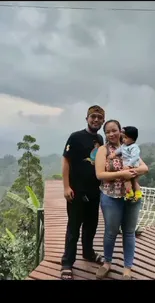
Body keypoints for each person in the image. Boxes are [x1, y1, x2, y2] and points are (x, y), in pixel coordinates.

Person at [95, 119, 148, 280]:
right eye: (108, 132)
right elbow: (100, 175)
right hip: (110, 197)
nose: (111, 134)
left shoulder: (129, 148)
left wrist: (131, 172)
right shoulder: (103, 150)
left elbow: (144, 168)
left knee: (129, 232)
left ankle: (127, 268)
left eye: (114, 130)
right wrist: (123, 174)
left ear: (121, 131)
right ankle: (107, 263)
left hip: (131, 198)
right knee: (110, 232)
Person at [61, 105, 105, 280]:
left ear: (102, 121)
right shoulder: (76, 137)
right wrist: (66, 187)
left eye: (99, 118)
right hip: (76, 192)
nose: (95, 120)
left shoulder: (100, 139)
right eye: (93, 116)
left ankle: (88, 252)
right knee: (73, 228)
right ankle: (67, 262)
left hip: (94, 192)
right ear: (86, 118)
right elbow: (66, 161)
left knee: (91, 226)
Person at [108, 126, 142, 202]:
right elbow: (119, 150)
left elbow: (135, 157)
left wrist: (129, 165)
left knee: (128, 180)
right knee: (132, 181)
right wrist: (113, 154)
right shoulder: (124, 146)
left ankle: (131, 193)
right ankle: (136, 193)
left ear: (132, 139)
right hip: (127, 165)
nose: (123, 139)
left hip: (132, 165)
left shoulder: (134, 147)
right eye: (123, 137)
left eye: (126, 138)